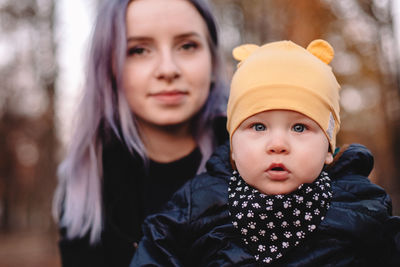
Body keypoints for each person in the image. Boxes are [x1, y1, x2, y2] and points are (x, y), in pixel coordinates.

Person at [130, 39, 400, 266]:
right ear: (233, 147)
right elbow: (156, 251)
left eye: (299, 127)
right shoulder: (200, 202)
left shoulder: (358, 205)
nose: (278, 143)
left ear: (328, 148)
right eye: (258, 126)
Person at [52, 0, 228, 266]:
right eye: (139, 50)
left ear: (213, 61)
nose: (168, 70)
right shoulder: (85, 184)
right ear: (108, 68)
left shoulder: (265, 163)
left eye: (188, 45)